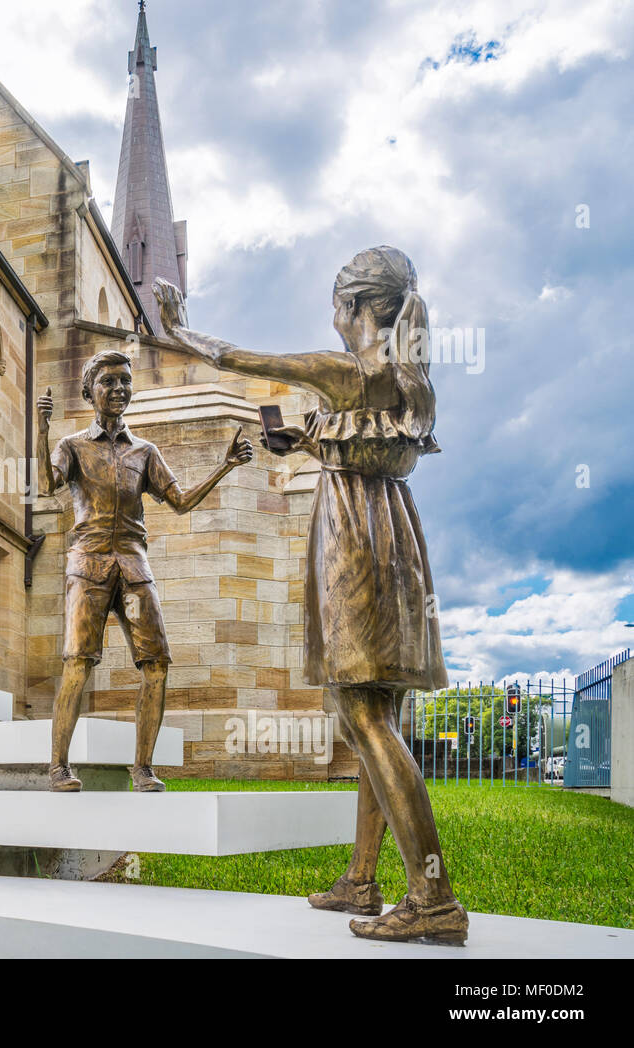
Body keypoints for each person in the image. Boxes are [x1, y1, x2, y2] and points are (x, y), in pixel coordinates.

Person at [154, 246, 468, 946]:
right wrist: (306, 440)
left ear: (353, 306)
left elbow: (238, 359)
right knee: (373, 716)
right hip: (391, 533)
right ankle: (363, 878)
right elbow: (364, 440)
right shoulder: (400, 377)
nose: (333, 317)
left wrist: (179, 329)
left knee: (363, 712)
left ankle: (435, 896)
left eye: (337, 305)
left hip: (354, 539)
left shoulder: (345, 369)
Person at [37, 350, 252, 792]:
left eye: (125, 381)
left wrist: (225, 466)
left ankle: (143, 769)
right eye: (108, 382)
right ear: (89, 390)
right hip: (88, 564)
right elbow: (45, 485)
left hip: (134, 566)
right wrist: (41, 430)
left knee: (156, 664)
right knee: (77, 662)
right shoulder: (73, 446)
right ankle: (58, 766)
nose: (118, 389)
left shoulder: (144, 451)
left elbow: (181, 501)